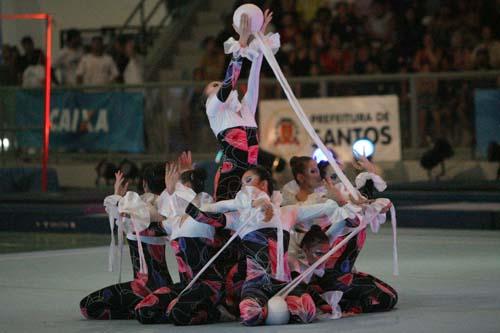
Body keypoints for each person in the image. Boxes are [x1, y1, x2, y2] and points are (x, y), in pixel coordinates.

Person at [192, 165, 351, 325]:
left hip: (284, 282)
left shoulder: (287, 212)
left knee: (307, 312)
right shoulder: (239, 218)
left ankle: (279, 309)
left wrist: (341, 203)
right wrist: (196, 208)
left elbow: (326, 209)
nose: (244, 187)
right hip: (256, 284)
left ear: (263, 185)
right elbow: (206, 215)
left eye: (248, 180)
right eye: (242, 184)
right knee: (250, 314)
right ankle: (267, 310)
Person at [80, 163, 172, 320]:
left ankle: (141, 309)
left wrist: (118, 196)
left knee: (87, 307)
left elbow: (124, 212)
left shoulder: (140, 207)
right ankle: (150, 307)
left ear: (144, 184)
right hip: (166, 286)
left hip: (143, 287)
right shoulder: (169, 208)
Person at [203, 10, 276, 201]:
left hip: (254, 176)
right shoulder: (213, 111)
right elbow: (228, 84)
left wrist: (259, 41)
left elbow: (254, 80)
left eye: (217, 82)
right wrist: (241, 43)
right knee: (226, 223)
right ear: (208, 97)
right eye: (213, 85)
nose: (218, 84)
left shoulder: (245, 109)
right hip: (231, 176)